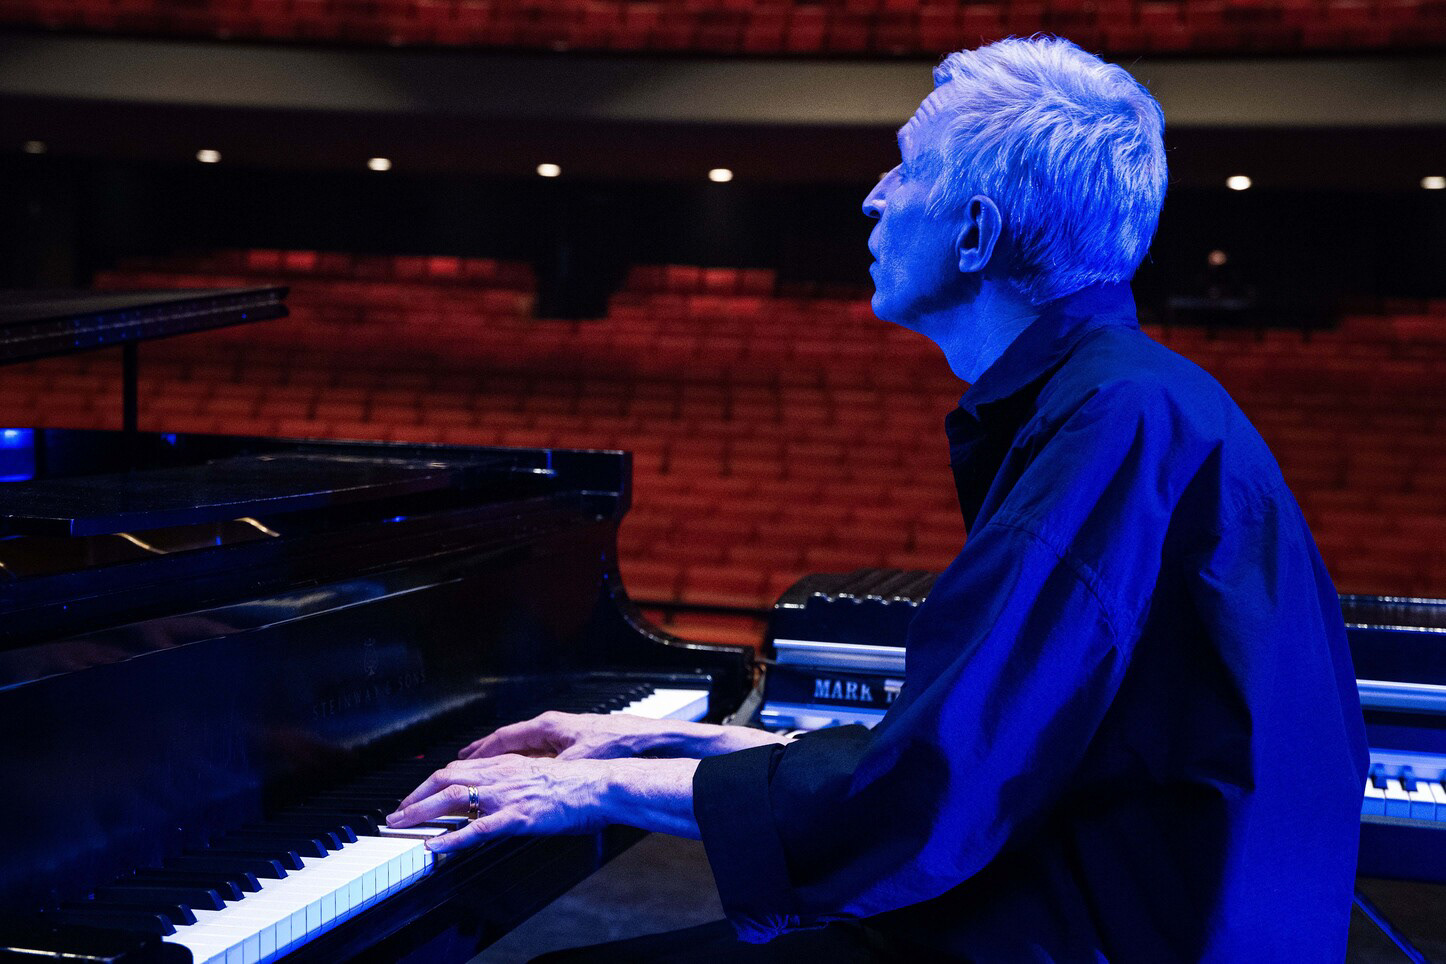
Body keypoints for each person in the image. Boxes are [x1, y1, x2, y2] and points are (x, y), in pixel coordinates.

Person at [388, 36, 1368, 961]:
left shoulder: (1114, 424)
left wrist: (603, 783)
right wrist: (659, 736)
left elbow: (935, 789)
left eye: (906, 168)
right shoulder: (1127, 400)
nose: (874, 197)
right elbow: (976, 743)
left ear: (976, 233)